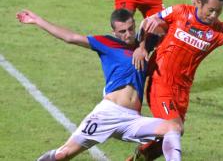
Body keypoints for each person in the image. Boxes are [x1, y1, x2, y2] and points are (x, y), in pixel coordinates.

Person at [16, 8, 182, 161]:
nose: (128, 34)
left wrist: (143, 45)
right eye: (122, 31)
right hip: (107, 114)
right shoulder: (107, 43)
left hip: (131, 120)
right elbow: (71, 38)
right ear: (114, 32)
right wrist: (37, 20)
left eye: (131, 29)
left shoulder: (144, 43)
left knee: (174, 128)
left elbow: (170, 25)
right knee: (63, 154)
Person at [130, 0, 223, 160]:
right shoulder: (180, 12)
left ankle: (140, 154)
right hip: (160, 82)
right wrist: (142, 47)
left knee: (167, 141)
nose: (214, 15)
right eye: (211, 10)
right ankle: (130, 129)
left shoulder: (219, 31)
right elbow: (148, 22)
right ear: (199, 2)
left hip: (182, 91)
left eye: (218, 11)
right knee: (175, 129)